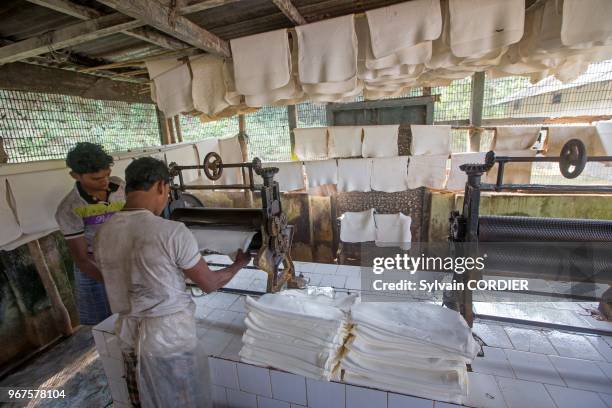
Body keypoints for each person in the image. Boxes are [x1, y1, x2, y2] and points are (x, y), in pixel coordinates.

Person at [94, 157, 250, 407]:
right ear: (160, 186)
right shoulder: (172, 232)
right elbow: (209, 283)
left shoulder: (104, 232)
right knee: (182, 400)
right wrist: (239, 264)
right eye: (167, 192)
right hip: (169, 340)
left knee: (144, 399)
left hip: (128, 336)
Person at [55, 142, 125, 325]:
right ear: (75, 175)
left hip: (123, 259)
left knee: (130, 317)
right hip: (94, 269)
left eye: (106, 175)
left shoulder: (119, 187)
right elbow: (82, 259)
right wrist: (114, 282)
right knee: (104, 325)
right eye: (96, 179)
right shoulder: (70, 208)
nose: (104, 181)